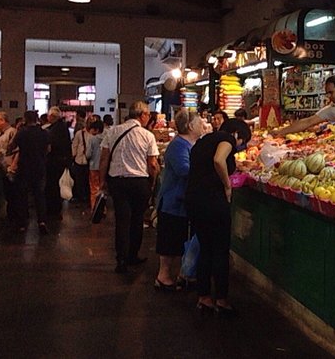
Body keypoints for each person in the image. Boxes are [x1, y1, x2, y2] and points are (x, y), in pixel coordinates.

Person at [186, 118, 250, 316]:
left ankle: (204, 297)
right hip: (213, 201)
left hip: (195, 200)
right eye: (242, 141)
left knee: (205, 248)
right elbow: (218, 160)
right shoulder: (227, 139)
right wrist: (227, 185)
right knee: (220, 250)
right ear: (237, 134)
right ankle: (221, 300)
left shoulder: (204, 140)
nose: (240, 146)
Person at [99, 101, 160, 274]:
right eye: (148, 114)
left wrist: (102, 181)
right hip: (139, 182)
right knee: (137, 219)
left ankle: (121, 260)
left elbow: (104, 159)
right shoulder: (147, 135)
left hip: (118, 182)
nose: (149, 118)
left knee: (122, 220)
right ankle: (133, 254)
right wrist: (153, 182)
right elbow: (152, 164)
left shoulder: (112, 131)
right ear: (142, 115)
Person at [155, 110, 204, 291]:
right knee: (170, 239)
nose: (203, 125)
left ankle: (179, 274)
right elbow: (184, 170)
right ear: (190, 126)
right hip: (172, 202)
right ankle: (163, 276)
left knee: (179, 239)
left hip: (182, 202)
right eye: (200, 122)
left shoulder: (190, 144)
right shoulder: (179, 146)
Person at [9, 111, 50, 234]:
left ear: (25, 119)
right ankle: (42, 221)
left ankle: (22, 223)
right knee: (39, 195)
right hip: (39, 166)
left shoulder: (22, 132)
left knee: (22, 195)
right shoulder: (44, 133)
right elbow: (48, 149)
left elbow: (11, 146)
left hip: (24, 167)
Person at [44, 106, 72, 218]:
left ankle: (53, 209)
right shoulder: (63, 127)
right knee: (56, 184)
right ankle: (56, 208)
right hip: (62, 160)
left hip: (54, 161)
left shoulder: (54, 130)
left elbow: (52, 145)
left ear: (52, 116)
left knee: (52, 185)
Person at [0, 112, 17, 226]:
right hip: (2, 166)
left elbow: (16, 150)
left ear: (3, 120)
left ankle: (15, 218)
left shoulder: (12, 132)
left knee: (12, 193)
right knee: (7, 192)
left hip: (9, 166)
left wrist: (13, 165)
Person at [70, 115, 92, 205]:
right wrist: (73, 155)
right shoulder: (80, 133)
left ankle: (85, 197)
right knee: (79, 181)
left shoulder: (93, 134)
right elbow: (75, 145)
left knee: (85, 181)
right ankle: (81, 197)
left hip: (87, 160)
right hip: (80, 159)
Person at [85, 119, 105, 213]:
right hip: (104, 167)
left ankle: (95, 209)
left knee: (94, 189)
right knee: (102, 188)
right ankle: (103, 208)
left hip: (93, 166)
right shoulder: (107, 138)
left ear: (96, 129)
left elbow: (88, 154)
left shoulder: (92, 139)